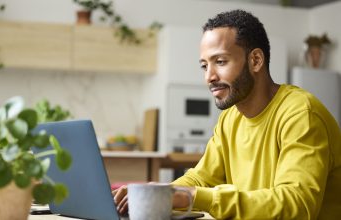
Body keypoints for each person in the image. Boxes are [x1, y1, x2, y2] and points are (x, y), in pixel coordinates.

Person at [112, 9, 341, 219]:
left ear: (256, 60)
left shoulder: (301, 114)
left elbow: (297, 204)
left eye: (220, 62)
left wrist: (192, 196)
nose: (209, 77)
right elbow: (201, 178)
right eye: (204, 66)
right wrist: (159, 193)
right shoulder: (230, 118)